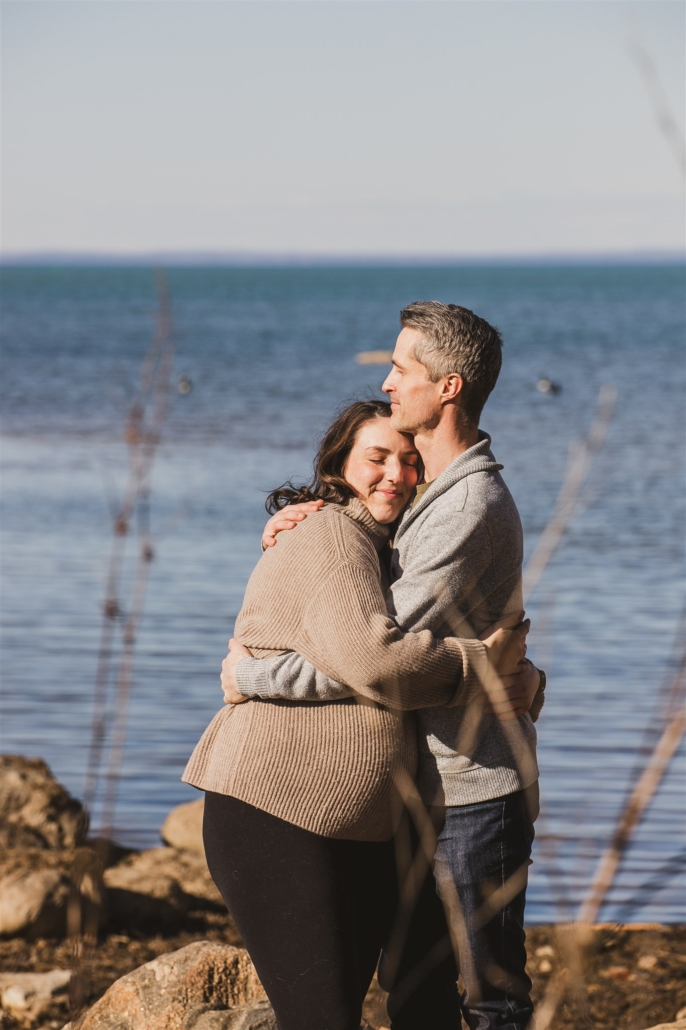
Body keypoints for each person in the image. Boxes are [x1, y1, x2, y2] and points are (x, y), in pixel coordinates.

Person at [223, 302, 544, 1030]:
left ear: (449, 387)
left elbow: (378, 659)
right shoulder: (428, 495)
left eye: (403, 369)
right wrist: (317, 508)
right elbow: (383, 613)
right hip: (423, 783)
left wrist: (255, 678)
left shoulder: (465, 508)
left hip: (472, 790)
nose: (391, 382)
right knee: (420, 994)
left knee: (488, 1000)